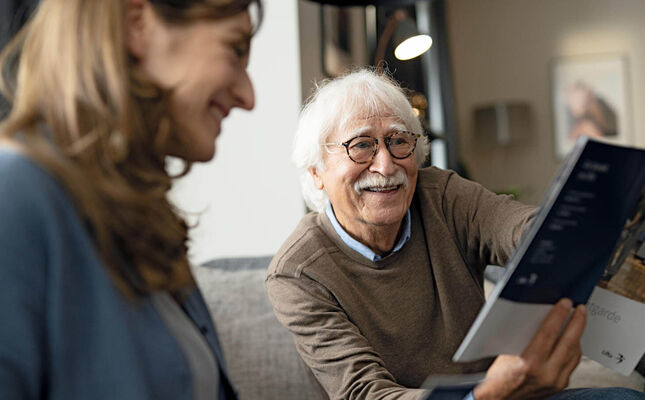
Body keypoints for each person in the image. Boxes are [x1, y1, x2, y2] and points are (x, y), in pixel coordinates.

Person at [266, 69, 645, 400]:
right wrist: (484, 395)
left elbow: (521, 230)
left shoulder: (441, 195)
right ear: (316, 171)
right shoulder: (297, 273)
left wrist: (595, 220)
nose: (385, 164)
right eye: (361, 145)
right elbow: (366, 394)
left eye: (398, 141)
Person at [0, 0, 261, 399]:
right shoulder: (16, 197)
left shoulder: (142, 218)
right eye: (235, 48)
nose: (248, 96)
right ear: (138, 25)